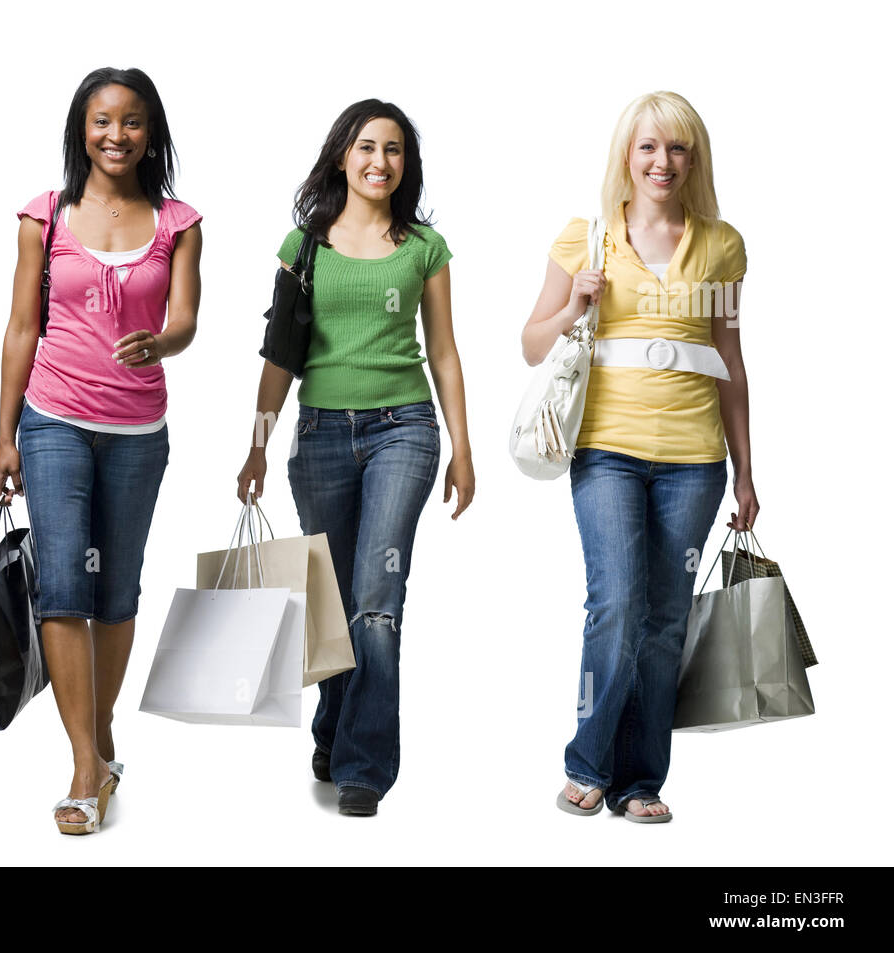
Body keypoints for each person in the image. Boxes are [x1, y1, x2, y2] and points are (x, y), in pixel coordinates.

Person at [522, 91, 757, 824]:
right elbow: (532, 343)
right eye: (650, 147)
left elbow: (731, 360)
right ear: (628, 154)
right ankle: (587, 763)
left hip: (694, 461)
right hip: (607, 453)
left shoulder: (720, 245)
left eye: (678, 148)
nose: (663, 162)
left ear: (694, 159)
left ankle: (640, 780)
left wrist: (747, 471)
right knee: (617, 606)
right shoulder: (585, 238)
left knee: (664, 621)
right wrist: (574, 307)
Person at [237, 99, 475, 817]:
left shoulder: (423, 248)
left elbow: (444, 352)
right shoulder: (302, 245)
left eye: (394, 149)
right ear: (342, 155)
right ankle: (334, 727)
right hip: (319, 436)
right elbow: (280, 355)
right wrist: (256, 445)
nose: (380, 161)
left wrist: (463, 448)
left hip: (403, 430)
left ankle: (364, 766)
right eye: (367, 147)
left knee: (377, 601)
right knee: (331, 598)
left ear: (408, 163)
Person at [0, 67, 202, 835]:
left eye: (133, 122)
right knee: (63, 591)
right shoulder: (44, 216)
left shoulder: (178, 222)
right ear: (82, 129)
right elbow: (21, 328)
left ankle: (99, 732)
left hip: (138, 432)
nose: (117, 135)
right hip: (53, 420)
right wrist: (4, 434)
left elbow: (185, 319)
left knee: (116, 594)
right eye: (103, 120)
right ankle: (86, 763)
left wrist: (164, 343)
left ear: (152, 134)